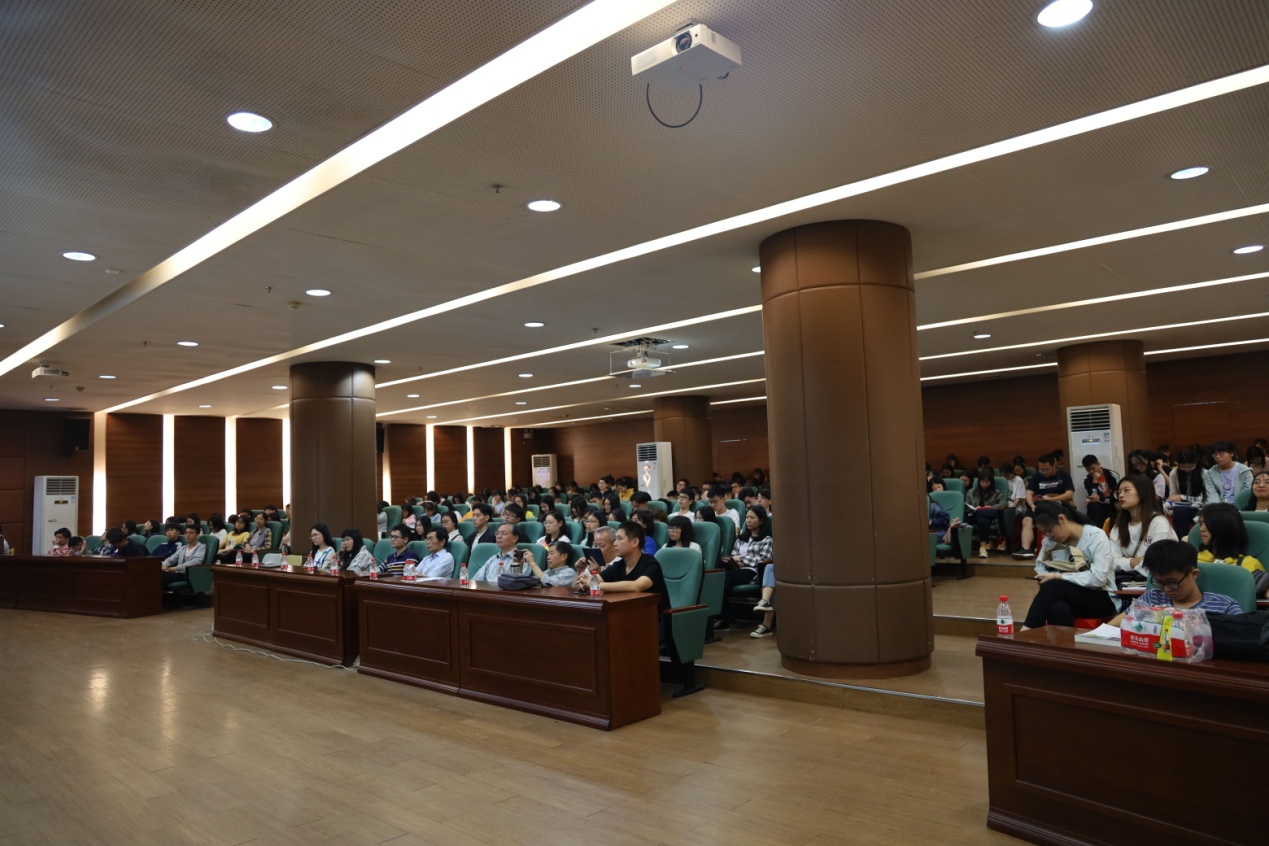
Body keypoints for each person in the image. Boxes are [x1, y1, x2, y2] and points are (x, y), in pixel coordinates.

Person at [1020, 502, 1116, 630]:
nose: (1049, 536)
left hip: (1100, 597)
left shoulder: (1096, 536)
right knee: (1057, 609)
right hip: (1067, 595)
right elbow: (1041, 566)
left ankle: (1027, 631)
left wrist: (1058, 576)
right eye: (1044, 533)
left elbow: (1098, 579)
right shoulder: (1050, 541)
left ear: (1062, 519)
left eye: (1049, 530)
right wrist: (1045, 577)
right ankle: (1063, 644)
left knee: (1053, 585)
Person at [1109, 540, 1242, 626]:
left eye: (1172, 582)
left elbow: (1245, 638)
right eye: (1159, 582)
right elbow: (1112, 627)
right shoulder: (1151, 599)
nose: (1166, 589)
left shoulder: (1225, 606)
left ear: (1194, 574)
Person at [572, 521, 669, 610]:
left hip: (652, 618)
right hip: (625, 614)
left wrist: (594, 584)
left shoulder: (650, 563)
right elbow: (596, 579)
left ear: (635, 542)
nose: (614, 543)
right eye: (615, 539)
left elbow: (637, 586)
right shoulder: (618, 565)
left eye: (619, 539)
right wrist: (584, 580)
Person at [715, 506, 773, 630]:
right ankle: (719, 616)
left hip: (753, 572)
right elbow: (733, 555)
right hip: (736, 568)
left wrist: (742, 559)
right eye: (747, 517)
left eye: (752, 518)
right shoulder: (741, 538)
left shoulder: (766, 539)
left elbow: (763, 560)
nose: (748, 520)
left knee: (725, 579)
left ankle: (723, 619)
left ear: (761, 521)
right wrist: (735, 560)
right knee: (718, 577)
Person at [1108, 474, 1176, 577]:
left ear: (1142, 492)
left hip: (1155, 582)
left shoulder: (1159, 524)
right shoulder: (1119, 525)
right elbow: (1110, 561)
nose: (1121, 495)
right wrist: (1134, 562)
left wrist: (1124, 562)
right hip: (1127, 581)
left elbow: (1156, 565)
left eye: (1127, 490)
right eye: (1119, 492)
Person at [1013, 454, 1075, 559]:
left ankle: (1065, 549)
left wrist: (1051, 499)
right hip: (1039, 505)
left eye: (1047, 469)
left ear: (1054, 465)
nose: (1044, 472)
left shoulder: (1063, 475)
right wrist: (1031, 504)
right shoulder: (1037, 476)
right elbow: (1029, 493)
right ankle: (1026, 549)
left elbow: (1069, 494)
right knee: (1027, 520)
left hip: (1057, 503)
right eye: (1041, 470)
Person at [1197, 503, 1267, 596]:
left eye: (1207, 524)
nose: (1201, 529)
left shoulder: (1249, 565)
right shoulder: (1193, 560)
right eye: (1201, 524)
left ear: (1225, 527)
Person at [965, 468, 1007, 559]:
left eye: (987, 482)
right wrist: (975, 508)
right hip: (973, 515)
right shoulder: (971, 492)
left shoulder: (996, 492)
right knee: (977, 516)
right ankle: (981, 548)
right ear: (979, 481)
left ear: (991, 482)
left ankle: (983, 547)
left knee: (982, 519)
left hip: (989, 517)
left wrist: (990, 507)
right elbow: (967, 505)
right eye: (982, 481)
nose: (984, 484)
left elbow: (1004, 503)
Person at [1166, 449, 1207, 535]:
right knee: (1179, 510)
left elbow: (1204, 498)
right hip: (1182, 507)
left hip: (1200, 508)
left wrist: (1182, 497)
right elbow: (1173, 496)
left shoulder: (1205, 473)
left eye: (1190, 466)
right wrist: (1175, 499)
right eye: (1183, 467)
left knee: (1181, 511)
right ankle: (1183, 539)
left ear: (1196, 462)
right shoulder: (1174, 474)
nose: (1187, 469)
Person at [1204, 441, 1252, 505]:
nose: (1217, 456)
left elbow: (1247, 493)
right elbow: (1212, 494)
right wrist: (1217, 507)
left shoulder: (1244, 471)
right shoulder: (1210, 473)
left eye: (1221, 453)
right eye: (1214, 454)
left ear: (1232, 453)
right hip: (1219, 506)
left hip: (1240, 505)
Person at [1080, 454, 1118, 529]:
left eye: (1093, 468)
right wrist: (1095, 482)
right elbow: (1093, 497)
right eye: (1088, 470)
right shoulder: (1087, 480)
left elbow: (1115, 496)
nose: (1091, 471)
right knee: (1093, 506)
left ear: (1098, 464)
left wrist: (1101, 498)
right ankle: (1097, 531)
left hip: (1111, 503)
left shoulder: (1112, 476)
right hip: (1098, 506)